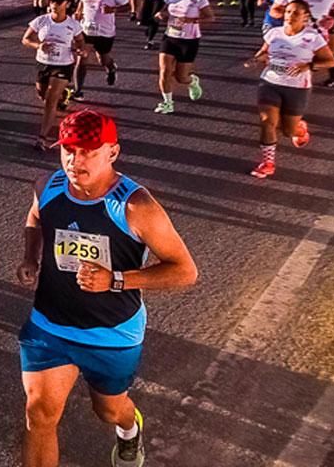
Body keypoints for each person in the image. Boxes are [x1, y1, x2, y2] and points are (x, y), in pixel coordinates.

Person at [17, 110, 199, 467]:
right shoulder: (49, 187)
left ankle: (130, 430)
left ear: (112, 152)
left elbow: (185, 272)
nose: (74, 159)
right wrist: (30, 257)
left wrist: (115, 280)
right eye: (68, 149)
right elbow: (36, 216)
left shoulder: (136, 206)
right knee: (39, 416)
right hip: (50, 324)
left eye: (87, 150)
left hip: (112, 332)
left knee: (109, 410)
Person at [246, 1, 334, 178]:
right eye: (288, 12)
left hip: (296, 88)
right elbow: (263, 52)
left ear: (305, 17)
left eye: (296, 13)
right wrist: (257, 59)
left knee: (288, 131)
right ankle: (268, 163)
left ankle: (299, 129)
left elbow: (330, 61)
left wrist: (308, 65)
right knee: (267, 122)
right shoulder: (274, 33)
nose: (290, 16)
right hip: (270, 82)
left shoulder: (312, 37)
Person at [24, 0, 86, 148]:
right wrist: (38, 46)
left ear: (67, 4)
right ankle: (64, 95)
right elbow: (25, 39)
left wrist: (79, 50)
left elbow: (80, 41)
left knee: (50, 101)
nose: (55, 5)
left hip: (63, 64)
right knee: (42, 94)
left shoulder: (73, 24)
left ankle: (42, 137)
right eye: (53, 2)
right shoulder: (41, 21)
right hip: (43, 63)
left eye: (59, 2)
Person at [154, 0, 214, 115]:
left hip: (189, 40)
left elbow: (210, 18)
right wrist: (161, 14)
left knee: (181, 77)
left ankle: (192, 81)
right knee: (165, 71)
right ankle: (167, 103)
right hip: (170, 37)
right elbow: (165, 10)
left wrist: (191, 20)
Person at [74, 0, 130, 99]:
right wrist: (78, 12)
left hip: (105, 32)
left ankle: (111, 68)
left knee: (102, 59)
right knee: (82, 59)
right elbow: (81, 4)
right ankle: (78, 91)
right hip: (86, 31)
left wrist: (113, 10)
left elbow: (127, 6)